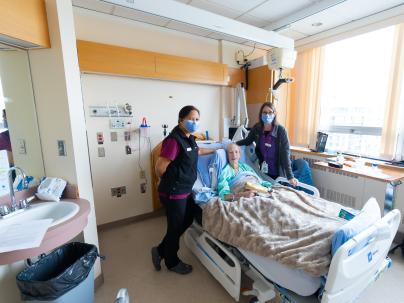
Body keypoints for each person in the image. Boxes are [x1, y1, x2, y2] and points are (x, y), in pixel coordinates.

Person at [152, 105, 214, 275]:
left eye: (197, 119)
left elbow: (198, 150)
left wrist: (217, 149)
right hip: (173, 192)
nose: (194, 122)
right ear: (181, 120)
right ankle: (172, 262)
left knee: (188, 218)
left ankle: (159, 250)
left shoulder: (189, 138)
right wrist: (166, 181)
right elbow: (160, 167)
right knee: (175, 227)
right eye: (191, 119)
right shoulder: (174, 140)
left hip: (184, 190)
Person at [236, 102, 299, 186]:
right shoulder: (257, 128)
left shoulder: (281, 131)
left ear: (274, 114)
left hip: (278, 171)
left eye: (270, 112)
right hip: (264, 170)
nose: (267, 115)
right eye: (264, 112)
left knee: (278, 191)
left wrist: (290, 176)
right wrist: (234, 143)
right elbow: (247, 141)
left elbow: (285, 154)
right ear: (261, 114)